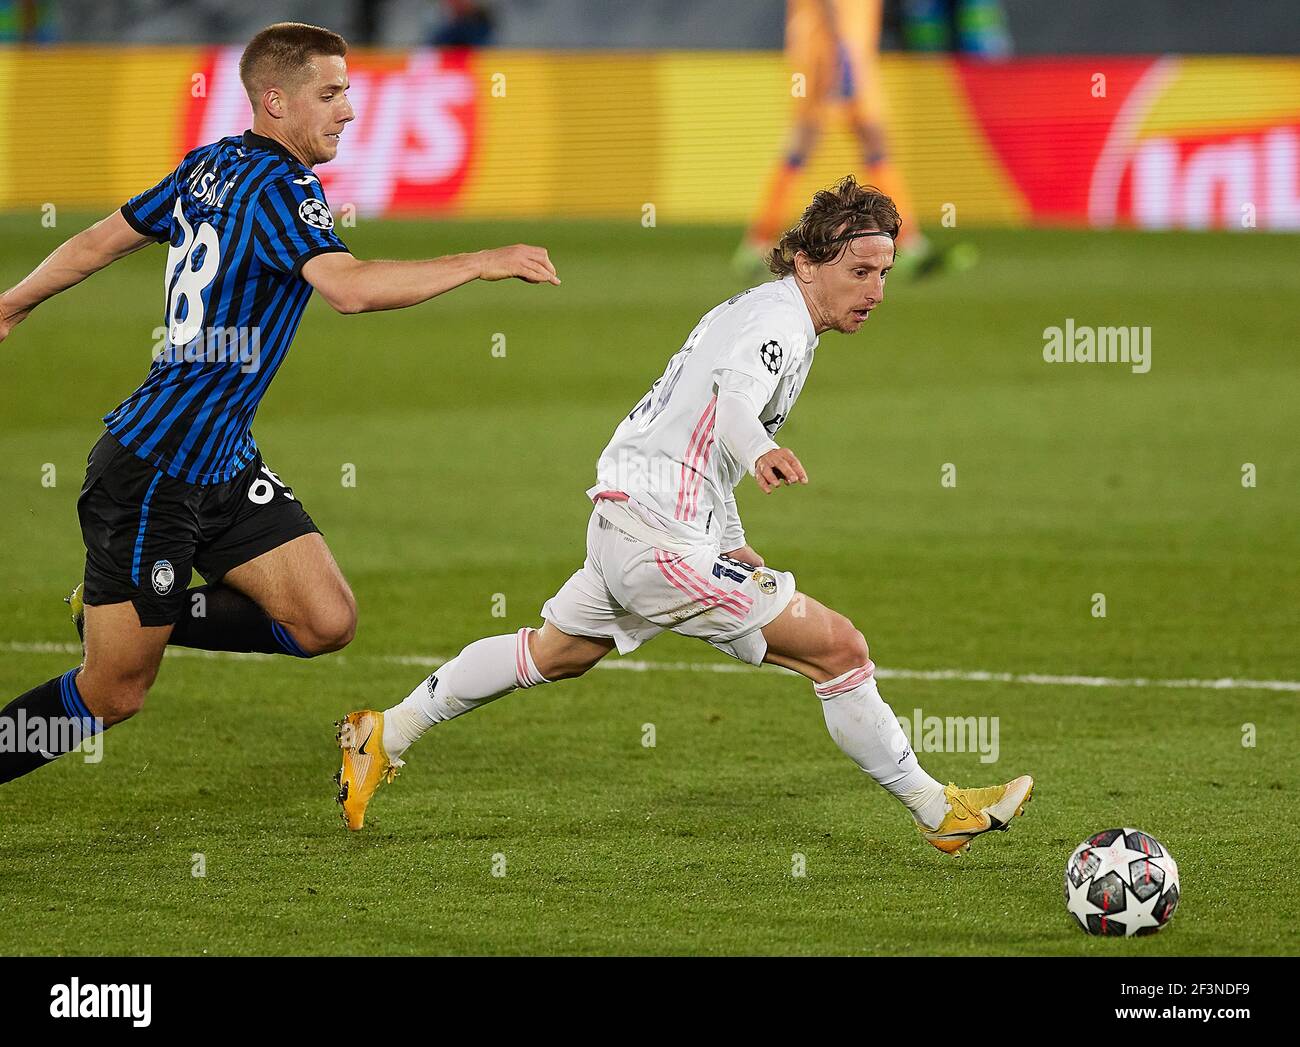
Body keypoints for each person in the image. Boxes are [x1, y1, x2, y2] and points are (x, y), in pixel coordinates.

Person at [338, 176, 1030, 854]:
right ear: (806, 261)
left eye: (885, 272)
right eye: (859, 271)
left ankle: (385, 732)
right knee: (841, 651)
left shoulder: (763, 311)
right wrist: (763, 450)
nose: (876, 291)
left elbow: (692, 428)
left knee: (557, 651)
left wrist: (733, 537)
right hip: (659, 542)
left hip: (627, 518)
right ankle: (938, 810)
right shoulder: (777, 323)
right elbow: (731, 410)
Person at [0, 21, 559, 787]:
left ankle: (142, 610)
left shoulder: (212, 165)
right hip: (153, 472)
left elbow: (104, 239)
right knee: (115, 690)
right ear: (275, 100)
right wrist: (481, 261)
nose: (349, 111)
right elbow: (350, 290)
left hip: (221, 461)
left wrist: (12, 304)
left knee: (325, 620)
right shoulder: (279, 186)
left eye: (349, 93)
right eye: (330, 94)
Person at [736, 0, 971, 281]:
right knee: (805, 140)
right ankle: (756, 243)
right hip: (824, 48)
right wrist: (840, 47)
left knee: (873, 141)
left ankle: (910, 243)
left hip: (853, 51)